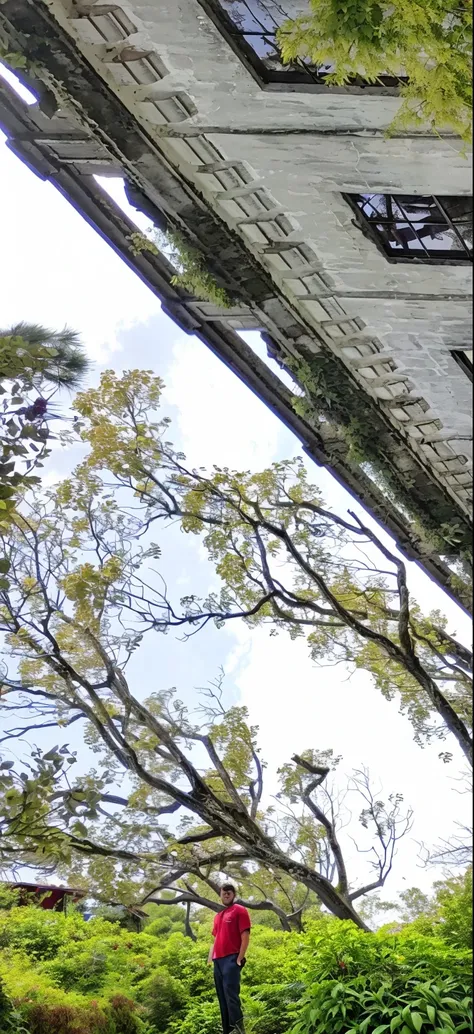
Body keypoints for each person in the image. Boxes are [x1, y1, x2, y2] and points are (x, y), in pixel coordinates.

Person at [208, 883, 251, 1034]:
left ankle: (239, 1029)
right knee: (222, 997)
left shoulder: (239, 910)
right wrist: (210, 958)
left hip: (231, 959)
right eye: (223, 893)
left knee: (231, 995)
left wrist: (240, 958)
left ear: (233, 895)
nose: (226, 895)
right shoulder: (218, 916)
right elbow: (216, 939)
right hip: (217, 961)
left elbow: (245, 936)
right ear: (220, 895)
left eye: (229, 892)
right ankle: (228, 1030)